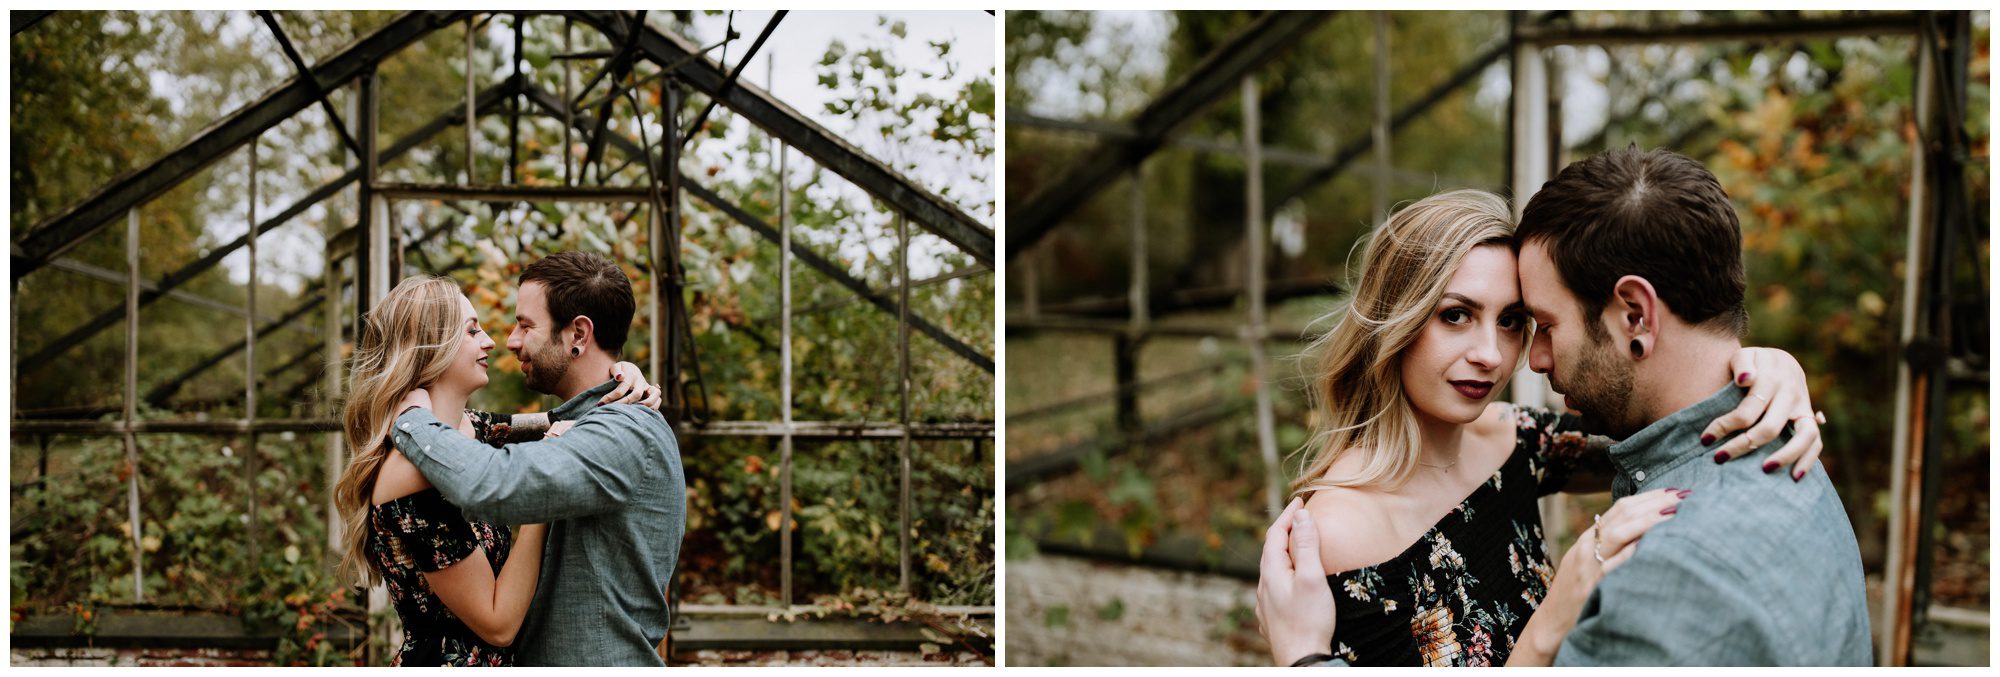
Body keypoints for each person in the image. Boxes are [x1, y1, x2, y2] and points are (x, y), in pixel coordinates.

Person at [1252, 187, 1830, 667]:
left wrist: (1760, 370)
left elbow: (1664, 428)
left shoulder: (1512, 439)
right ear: (1395, 321)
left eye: (1511, 321)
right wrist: (1551, 622)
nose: (1490, 354)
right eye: (1456, 315)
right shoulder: (1340, 531)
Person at [1511, 148, 1869, 665]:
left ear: (1635, 315)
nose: (1536, 359)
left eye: (1546, 325)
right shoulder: (1787, 450)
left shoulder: (1669, 574)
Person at [331, 275, 662, 666]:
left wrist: (620, 376)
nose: (490, 341)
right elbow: (498, 624)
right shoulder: (410, 473)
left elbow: (559, 421)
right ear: (430, 347)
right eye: (472, 331)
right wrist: (544, 497)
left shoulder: (471, 428)